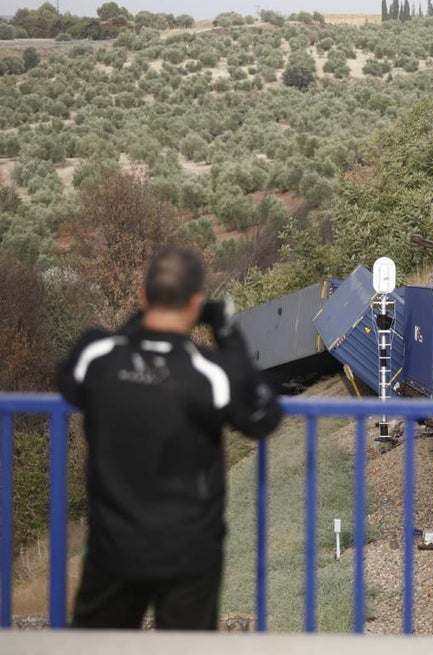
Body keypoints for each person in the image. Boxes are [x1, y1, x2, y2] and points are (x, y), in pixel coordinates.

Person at [56, 246, 282, 630]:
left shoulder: (96, 354)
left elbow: (70, 384)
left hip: (113, 545)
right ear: (196, 304)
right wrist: (228, 335)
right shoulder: (211, 373)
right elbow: (263, 417)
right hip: (188, 550)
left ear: (143, 297)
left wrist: (137, 329)